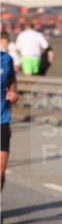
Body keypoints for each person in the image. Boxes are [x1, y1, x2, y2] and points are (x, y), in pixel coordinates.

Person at [1, 31, 17, 191]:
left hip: (2, 119)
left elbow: (12, 80)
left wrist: (13, 92)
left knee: (1, 171)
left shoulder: (7, 59)